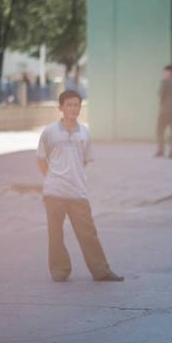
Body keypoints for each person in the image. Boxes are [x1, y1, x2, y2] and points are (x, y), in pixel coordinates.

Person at [37, 90, 124, 283]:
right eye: (69, 105)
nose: (73, 108)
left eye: (76, 105)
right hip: (54, 192)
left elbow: (84, 160)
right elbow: (41, 160)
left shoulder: (84, 131)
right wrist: (53, 178)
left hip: (77, 192)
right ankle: (60, 271)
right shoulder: (50, 131)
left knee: (88, 233)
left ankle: (101, 271)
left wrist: (72, 177)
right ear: (60, 108)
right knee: (55, 234)